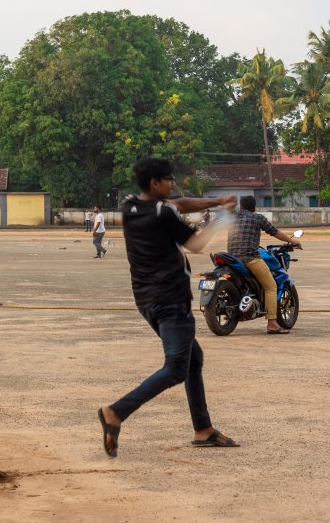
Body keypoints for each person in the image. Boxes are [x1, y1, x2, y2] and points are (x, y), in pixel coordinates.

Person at [98, 156, 241, 458]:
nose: (172, 183)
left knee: (193, 359)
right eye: (168, 179)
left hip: (146, 299)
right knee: (176, 368)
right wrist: (225, 217)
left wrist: (214, 201)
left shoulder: (130, 205)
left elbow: (181, 203)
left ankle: (203, 429)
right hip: (171, 299)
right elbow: (196, 244)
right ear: (155, 183)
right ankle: (116, 412)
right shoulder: (163, 213)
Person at [227, 196, 303, 334]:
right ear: (254, 208)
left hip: (231, 258)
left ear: (241, 207)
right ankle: (272, 324)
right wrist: (292, 241)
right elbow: (275, 232)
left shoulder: (233, 218)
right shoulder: (258, 218)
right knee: (271, 286)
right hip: (249, 258)